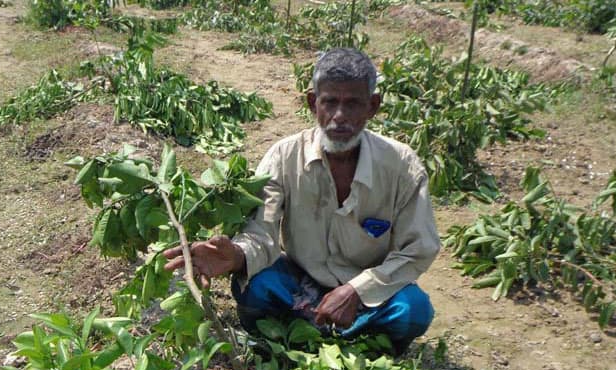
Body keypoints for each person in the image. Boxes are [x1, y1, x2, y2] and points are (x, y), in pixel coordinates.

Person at [163, 48, 440, 354]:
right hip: (299, 279)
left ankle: (348, 336)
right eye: (330, 102)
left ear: (372, 106)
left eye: (353, 104)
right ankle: (312, 335)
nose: (339, 117)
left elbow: (417, 250)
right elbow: (262, 233)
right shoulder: (284, 156)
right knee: (257, 288)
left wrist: (357, 291)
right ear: (313, 103)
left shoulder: (401, 166)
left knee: (413, 311)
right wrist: (238, 255)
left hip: (368, 286)